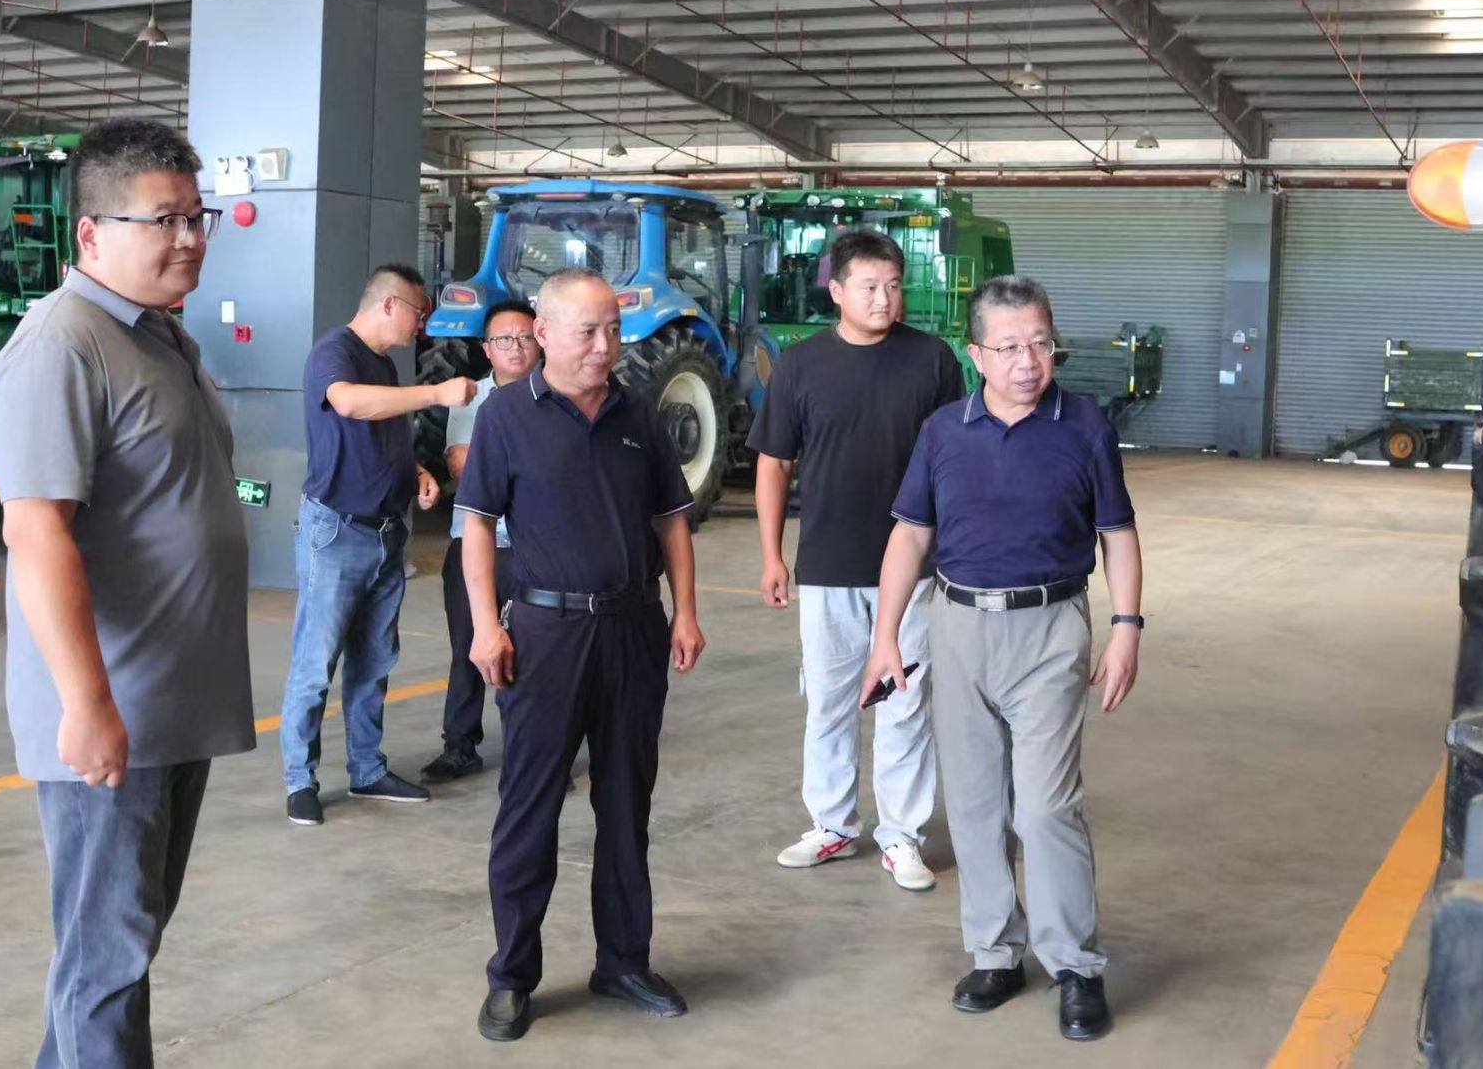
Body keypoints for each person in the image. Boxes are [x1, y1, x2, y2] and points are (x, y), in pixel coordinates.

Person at [0, 117, 254, 1068]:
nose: (190, 238)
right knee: (106, 963)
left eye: (196, 216)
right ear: (91, 233)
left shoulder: (162, 337)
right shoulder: (63, 344)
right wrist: (88, 704)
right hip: (113, 715)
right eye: (163, 220)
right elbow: (35, 532)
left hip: (169, 707)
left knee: (117, 950)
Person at [863, 274, 1143, 1043]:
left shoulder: (1084, 425)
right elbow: (910, 535)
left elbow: (1116, 533)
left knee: (1046, 806)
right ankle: (995, 952)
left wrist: (1126, 626)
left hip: (1050, 628)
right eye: (1011, 347)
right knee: (977, 802)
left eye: (1041, 344)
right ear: (977, 354)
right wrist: (886, 637)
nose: (1028, 362)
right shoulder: (943, 432)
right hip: (957, 627)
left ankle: (1075, 966)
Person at [457, 268, 705, 1043]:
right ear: (543, 333)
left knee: (627, 803)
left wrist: (686, 612)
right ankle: (512, 977)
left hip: (633, 630)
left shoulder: (639, 414)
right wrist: (485, 627)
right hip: (545, 635)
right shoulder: (505, 416)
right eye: (588, 331)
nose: (605, 346)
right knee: (528, 809)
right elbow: (476, 526)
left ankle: (623, 960)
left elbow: (671, 521)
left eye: (613, 330)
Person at [749, 229, 963, 891]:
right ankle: (833, 826)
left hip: (917, 568)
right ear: (837, 291)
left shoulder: (932, 360)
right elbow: (773, 463)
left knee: (906, 703)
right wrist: (772, 555)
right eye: (869, 287)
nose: (884, 299)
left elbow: (957, 461)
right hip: (829, 563)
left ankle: (902, 835)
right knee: (830, 701)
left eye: (894, 286)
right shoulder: (800, 365)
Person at [280, 265, 472, 825]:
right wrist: (436, 392)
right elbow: (349, 404)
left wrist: (416, 471)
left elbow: (380, 431)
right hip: (337, 532)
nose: (422, 324)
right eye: (419, 311)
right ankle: (300, 781)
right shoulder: (333, 354)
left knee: (374, 661)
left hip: (386, 534)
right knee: (317, 663)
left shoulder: (385, 365)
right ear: (389, 305)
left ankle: (366, 770)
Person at [421, 301, 541, 785]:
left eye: (525, 337)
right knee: (468, 644)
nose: (515, 347)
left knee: (535, 651)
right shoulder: (469, 399)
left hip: (537, 548)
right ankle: (460, 745)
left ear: (541, 342)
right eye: (503, 339)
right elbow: (462, 467)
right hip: (475, 544)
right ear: (487, 349)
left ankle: (533, 750)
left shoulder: (558, 399)